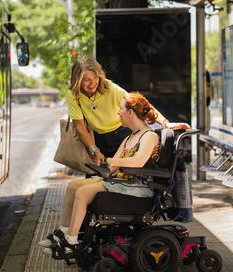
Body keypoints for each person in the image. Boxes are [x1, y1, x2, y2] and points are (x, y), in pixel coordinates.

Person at [39, 92, 163, 252]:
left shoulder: (149, 136)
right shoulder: (129, 138)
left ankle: (71, 242)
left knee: (83, 193)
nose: (118, 112)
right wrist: (97, 178)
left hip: (138, 187)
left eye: (121, 109)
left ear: (130, 113)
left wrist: (112, 161)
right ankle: (63, 234)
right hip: (125, 183)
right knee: (73, 186)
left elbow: (138, 162)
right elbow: (111, 168)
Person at [67, 56, 190, 167]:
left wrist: (166, 123)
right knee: (95, 177)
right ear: (78, 80)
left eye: (95, 77)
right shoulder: (73, 94)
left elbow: (140, 105)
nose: (92, 83)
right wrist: (94, 150)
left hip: (121, 135)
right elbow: (80, 127)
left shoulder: (109, 88)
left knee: (121, 175)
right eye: (86, 80)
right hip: (97, 140)